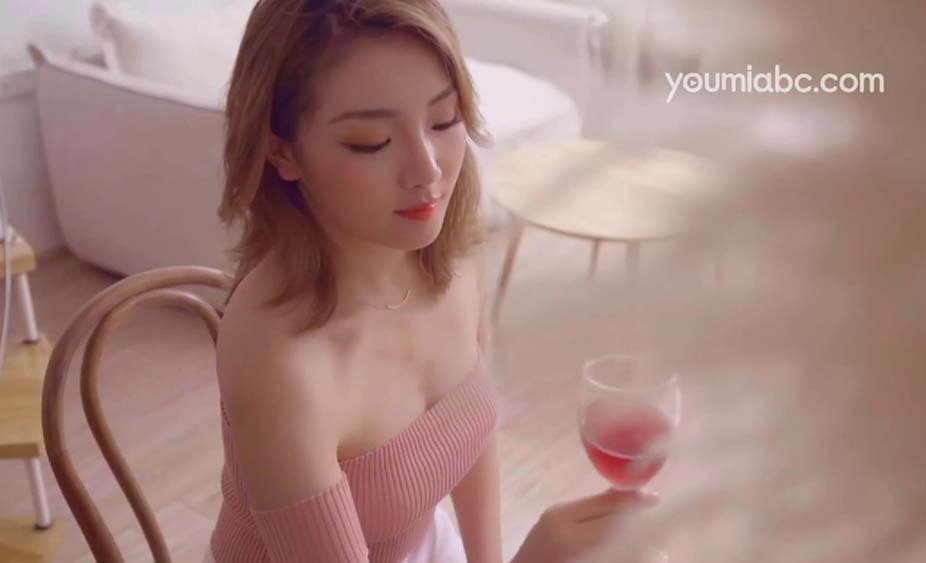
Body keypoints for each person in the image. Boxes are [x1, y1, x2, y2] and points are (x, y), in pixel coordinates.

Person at [204, 1, 658, 562]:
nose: (429, 171)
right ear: (282, 152)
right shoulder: (282, 363)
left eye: (444, 120)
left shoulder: (452, 256)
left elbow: (469, 428)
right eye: (371, 141)